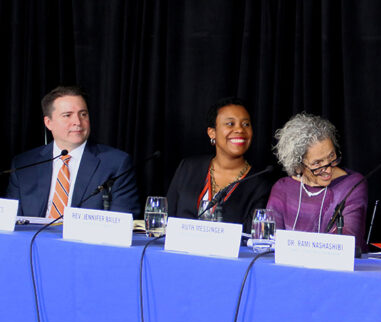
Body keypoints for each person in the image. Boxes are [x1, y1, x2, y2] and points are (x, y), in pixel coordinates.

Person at [5, 86, 139, 217]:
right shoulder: (23, 165)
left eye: (83, 114)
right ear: (48, 122)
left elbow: (123, 220)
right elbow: (12, 221)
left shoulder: (115, 164)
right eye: (67, 115)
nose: (77, 122)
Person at [166, 97, 271, 232]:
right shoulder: (188, 168)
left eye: (246, 124)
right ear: (212, 132)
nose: (240, 129)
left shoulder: (260, 183)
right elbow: (168, 218)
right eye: (230, 124)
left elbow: (252, 236)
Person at [267, 112, 367, 251]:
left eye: (331, 156)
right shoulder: (282, 189)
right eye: (317, 163)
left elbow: (347, 241)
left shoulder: (352, 185)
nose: (328, 169)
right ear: (298, 165)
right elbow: (269, 241)